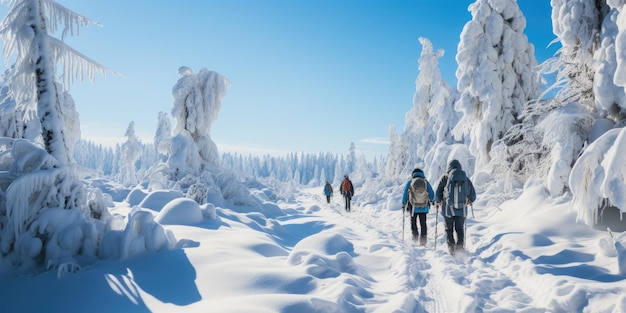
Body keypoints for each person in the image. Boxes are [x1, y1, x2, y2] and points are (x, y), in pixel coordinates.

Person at [435, 159, 476, 255]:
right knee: (460, 229)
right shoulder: (465, 178)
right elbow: (473, 195)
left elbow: (437, 194)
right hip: (462, 210)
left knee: (449, 229)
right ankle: (460, 250)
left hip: (447, 210)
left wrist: (438, 201)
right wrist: (468, 201)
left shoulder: (445, 178)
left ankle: (451, 250)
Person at [402, 168, 434, 246]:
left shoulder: (410, 182)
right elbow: (432, 194)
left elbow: (405, 194)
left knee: (413, 222)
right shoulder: (425, 182)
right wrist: (431, 201)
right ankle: (423, 242)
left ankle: (415, 239)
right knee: (423, 223)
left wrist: (404, 204)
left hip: (413, 207)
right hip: (424, 207)